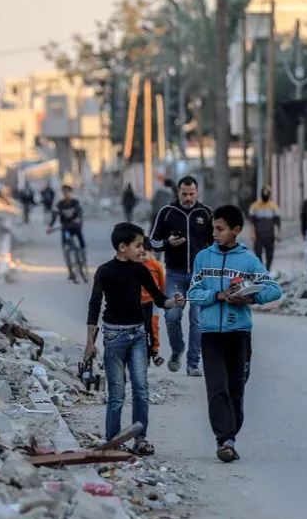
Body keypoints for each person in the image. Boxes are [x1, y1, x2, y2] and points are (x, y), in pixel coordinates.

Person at [186, 204, 282, 463]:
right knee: (216, 387)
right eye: (213, 228)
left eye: (220, 229)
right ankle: (224, 440)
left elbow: (274, 289)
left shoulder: (249, 261)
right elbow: (192, 293)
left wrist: (248, 298)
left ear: (236, 231)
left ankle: (231, 434)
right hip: (210, 333)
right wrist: (216, 295)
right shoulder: (203, 258)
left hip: (238, 333)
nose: (214, 233)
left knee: (236, 388)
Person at [85, 222, 184, 456]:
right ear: (122, 247)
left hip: (139, 335)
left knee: (141, 389)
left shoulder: (141, 270)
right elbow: (94, 306)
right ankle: (112, 442)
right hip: (113, 337)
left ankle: (140, 439)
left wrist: (174, 301)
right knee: (117, 394)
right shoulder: (105, 271)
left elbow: (160, 299)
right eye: (138, 246)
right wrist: (90, 342)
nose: (143, 250)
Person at [148, 176, 213, 377]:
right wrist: (168, 242)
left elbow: (215, 244)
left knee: (198, 320)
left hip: (199, 277)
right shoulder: (167, 213)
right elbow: (152, 242)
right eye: (184, 194)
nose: (188, 198)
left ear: (197, 192)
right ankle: (177, 350)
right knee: (172, 316)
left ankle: (193, 363)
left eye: (191, 194)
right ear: (178, 192)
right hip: (175, 274)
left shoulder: (206, 213)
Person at [47, 185, 85, 280]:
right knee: (65, 244)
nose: (66, 194)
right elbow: (54, 217)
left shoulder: (75, 202)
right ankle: (70, 270)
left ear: (70, 193)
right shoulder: (60, 204)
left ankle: (83, 251)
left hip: (75, 225)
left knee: (79, 235)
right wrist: (50, 226)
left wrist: (79, 220)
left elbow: (80, 212)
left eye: (68, 192)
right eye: (64, 192)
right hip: (66, 228)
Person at [139, 244, 167, 368]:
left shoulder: (156, 266)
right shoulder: (136, 266)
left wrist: (161, 298)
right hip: (138, 302)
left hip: (152, 301)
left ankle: (154, 351)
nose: (142, 257)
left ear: (151, 252)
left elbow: (162, 283)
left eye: (144, 254)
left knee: (153, 326)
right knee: (141, 329)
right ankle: (143, 354)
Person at [247, 186, 282, 271]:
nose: (265, 195)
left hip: (270, 235)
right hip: (258, 235)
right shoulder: (255, 206)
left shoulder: (274, 206)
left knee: (270, 255)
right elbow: (251, 222)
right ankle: (261, 270)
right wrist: (252, 233)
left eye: (267, 193)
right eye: (264, 193)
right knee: (258, 254)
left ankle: (268, 270)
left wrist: (279, 233)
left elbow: (278, 222)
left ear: (270, 194)